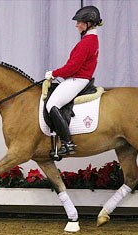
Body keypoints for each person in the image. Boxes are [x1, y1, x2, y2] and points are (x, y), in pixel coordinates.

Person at [44, 6, 102, 156]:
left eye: (80, 22)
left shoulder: (86, 42)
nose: (77, 25)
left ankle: (67, 143)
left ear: (89, 23)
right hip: (80, 78)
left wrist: (53, 73)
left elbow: (72, 67)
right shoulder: (91, 40)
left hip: (78, 79)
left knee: (52, 104)